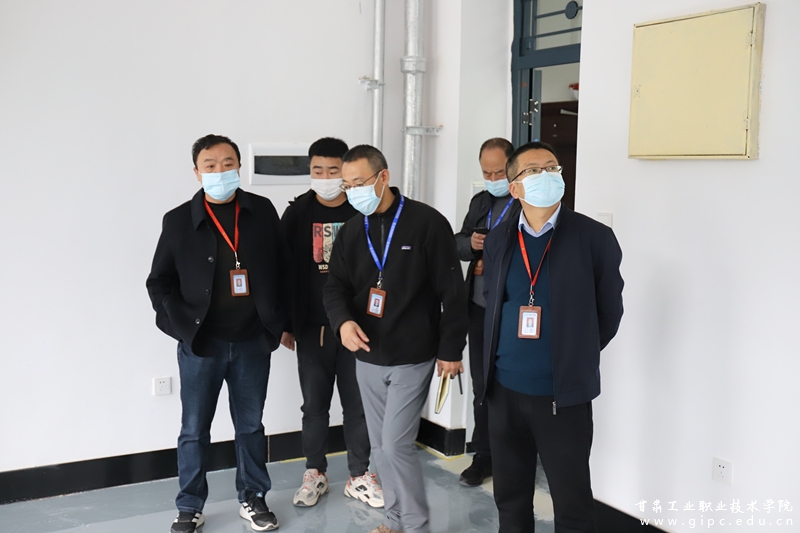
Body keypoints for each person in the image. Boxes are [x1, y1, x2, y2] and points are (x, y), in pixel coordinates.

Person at [323, 145, 468, 533]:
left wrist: (451, 349)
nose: (352, 191)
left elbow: (453, 292)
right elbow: (334, 287)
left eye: (359, 182)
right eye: (347, 185)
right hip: (367, 355)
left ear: (383, 177)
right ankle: (393, 520)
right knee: (379, 446)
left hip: (413, 354)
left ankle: (416, 525)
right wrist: (342, 323)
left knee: (395, 444)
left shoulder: (426, 223)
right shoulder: (352, 230)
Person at [146, 134, 287, 533]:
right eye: (210, 165)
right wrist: (178, 328)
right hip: (201, 346)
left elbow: (285, 268)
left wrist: (281, 322)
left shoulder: (261, 210)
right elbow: (159, 281)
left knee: (251, 427)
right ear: (197, 172)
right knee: (194, 430)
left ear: (239, 166)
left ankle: (253, 498)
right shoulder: (178, 220)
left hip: (252, 342)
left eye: (228, 163)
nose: (220, 171)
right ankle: (190, 506)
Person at [481, 141, 624, 533]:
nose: (545, 175)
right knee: (510, 498)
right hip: (504, 391)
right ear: (514, 187)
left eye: (552, 168)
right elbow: (494, 303)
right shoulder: (499, 239)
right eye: (533, 170)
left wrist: (572, 353)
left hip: (562, 395)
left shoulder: (594, 237)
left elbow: (609, 312)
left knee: (571, 502)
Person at [279, 137, 382, 509]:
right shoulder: (297, 214)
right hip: (312, 328)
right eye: (317, 171)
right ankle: (315, 472)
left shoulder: (363, 211)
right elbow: (282, 271)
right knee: (314, 406)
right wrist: (286, 324)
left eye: (333, 171)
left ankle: (359, 475)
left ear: (346, 172)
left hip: (359, 328)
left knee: (358, 405)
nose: (325, 178)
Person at [453, 137, 520, 487]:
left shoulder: (526, 201)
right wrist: (472, 243)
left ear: (512, 167)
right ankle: (484, 456)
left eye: (498, 172)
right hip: (478, 307)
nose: (493, 178)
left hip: (511, 308)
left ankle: (515, 455)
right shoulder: (481, 202)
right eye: (486, 172)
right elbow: (458, 242)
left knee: (511, 383)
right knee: (482, 385)